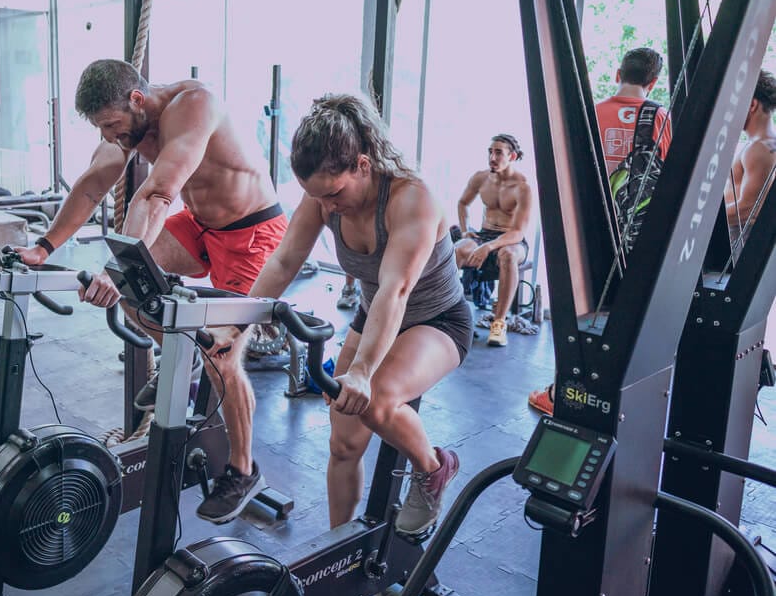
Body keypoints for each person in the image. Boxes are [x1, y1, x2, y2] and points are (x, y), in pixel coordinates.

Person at [205, 94, 471, 536]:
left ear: (362, 166)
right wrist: (235, 326)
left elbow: (396, 289)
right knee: (343, 444)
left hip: (437, 320)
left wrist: (363, 371)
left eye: (333, 193)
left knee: (376, 401)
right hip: (373, 316)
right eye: (316, 196)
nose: (326, 206)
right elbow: (284, 261)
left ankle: (433, 468)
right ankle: (336, 547)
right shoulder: (323, 198)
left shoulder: (412, 198)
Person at [14, 58, 286, 417]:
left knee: (222, 362)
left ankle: (244, 471)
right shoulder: (127, 129)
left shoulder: (194, 105)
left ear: (137, 99)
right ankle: (184, 353)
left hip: (250, 231)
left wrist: (115, 270)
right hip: (200, 225)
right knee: (134, 289)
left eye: (112, 125)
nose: (110, 137)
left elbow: (158, 193)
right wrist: (43, 247)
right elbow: (93, 184)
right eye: (102, 129)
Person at [529, 47, 672, 415]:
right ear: (653, 81)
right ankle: (621, 395)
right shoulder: (660, 118)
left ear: (617, 72)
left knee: (577, 313)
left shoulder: (591, 115)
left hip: (588, 233)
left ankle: (563, 390)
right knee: (631, 316)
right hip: (638, 237)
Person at [454, 134, 532, 347]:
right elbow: (463, 203)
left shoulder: (522, 187)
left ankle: (499, 322)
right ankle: (447, 313)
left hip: (512, 240)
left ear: (512, 156)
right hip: (484, 234)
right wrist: (464, 231)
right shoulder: (480, 178)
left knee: (507, 255)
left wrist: (489, 247)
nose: (492, 157)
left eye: (498, 152)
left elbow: (517, 232)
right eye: (490, 151)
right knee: (457, 249)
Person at [725, 69, 776, 250]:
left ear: (752, 105)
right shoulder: (763, 144)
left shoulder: (759, 148)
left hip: (747, 240)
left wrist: (699, 220)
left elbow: (750, 208)